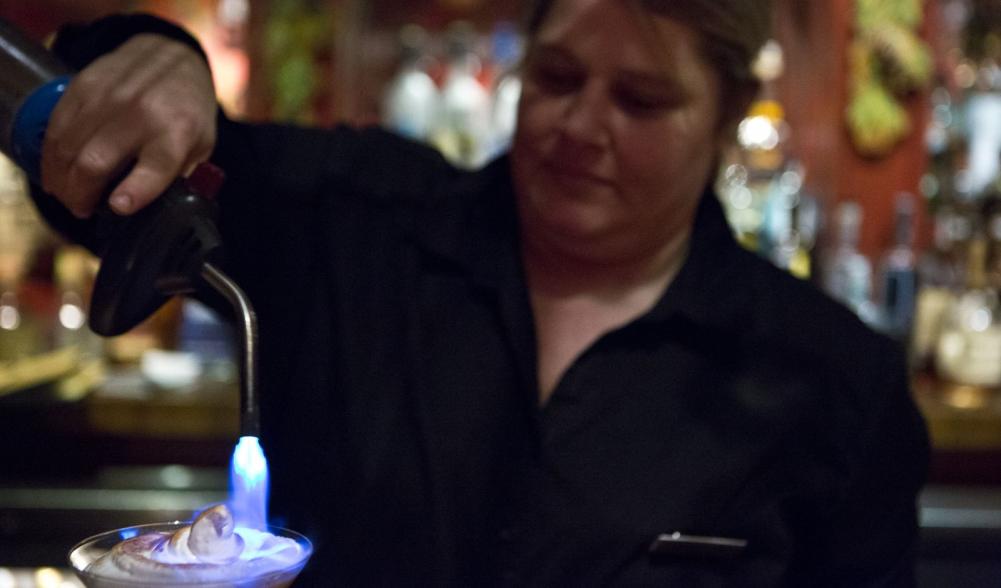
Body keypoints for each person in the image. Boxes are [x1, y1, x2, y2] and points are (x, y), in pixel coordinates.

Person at [32, 0, 929, 585]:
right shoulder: (357, 222)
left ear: (728, 120)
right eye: (557, 79)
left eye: (642, 101)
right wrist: (157, 62)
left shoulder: (832, 380)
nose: (583, 127)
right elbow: (103, 172)